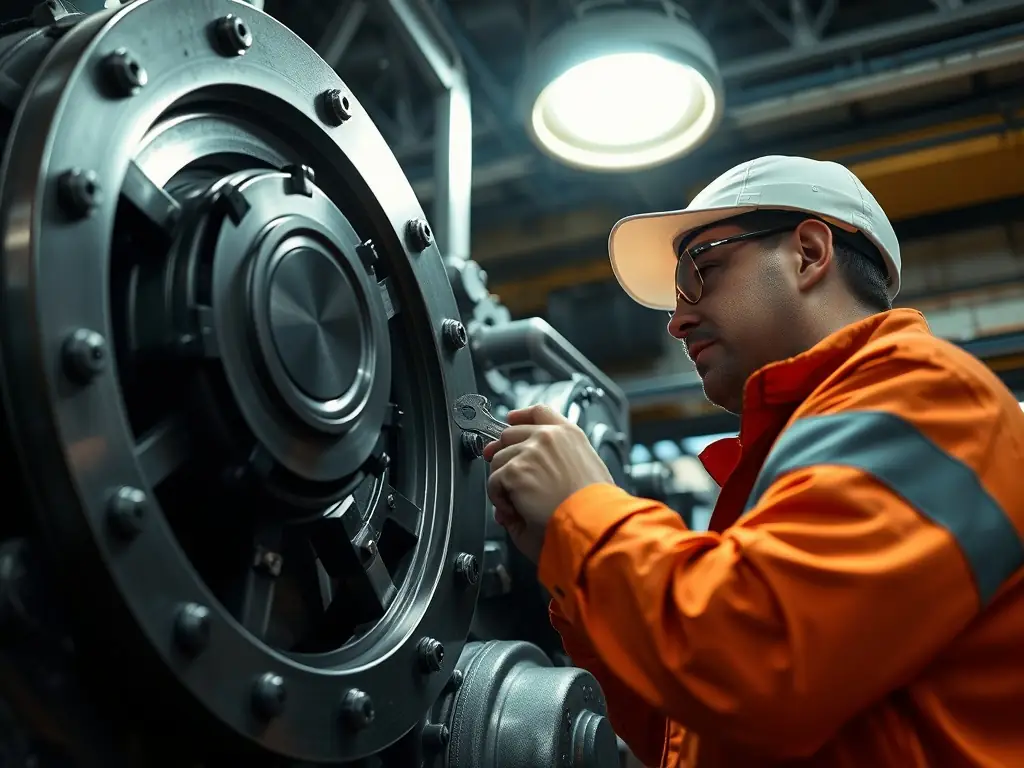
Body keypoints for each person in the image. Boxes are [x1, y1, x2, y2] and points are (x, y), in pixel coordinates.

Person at [482, 155, 1024, 767]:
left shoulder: (929, 397)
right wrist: (571, 557)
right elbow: (687, 725)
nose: (678, 319)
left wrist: (588, 515)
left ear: (809, 253)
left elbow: (759, 662)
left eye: (703, 270)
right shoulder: (789, 466)